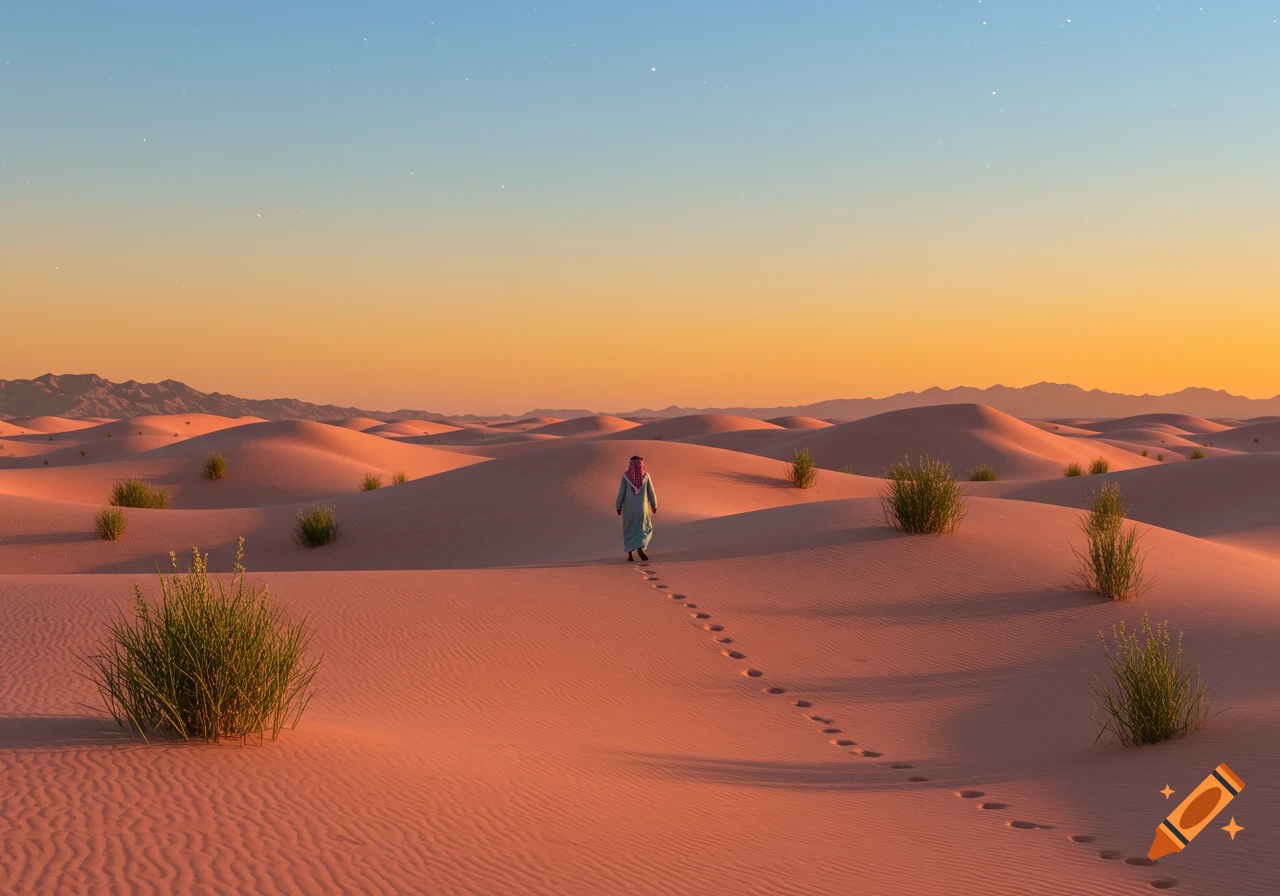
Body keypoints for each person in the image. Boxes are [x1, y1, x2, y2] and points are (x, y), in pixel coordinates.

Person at [616, 455, 658, 562]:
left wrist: (618, 506)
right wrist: (654, 505)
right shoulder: (646, 476)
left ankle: (630, 555)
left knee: (629, 530)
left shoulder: (626, 476)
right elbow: (651, 492)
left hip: (629, 511)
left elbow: (621, 492)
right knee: (645, 529)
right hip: (642, 510)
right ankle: (641, 547)